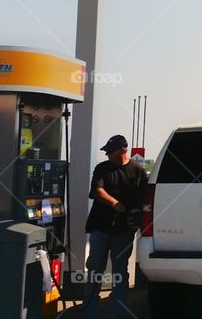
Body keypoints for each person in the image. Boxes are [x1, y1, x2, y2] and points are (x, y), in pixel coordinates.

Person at [84, 134, 147, 318]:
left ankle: (119, 310)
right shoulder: (102, 168)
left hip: (124, 229)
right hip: (100, 227)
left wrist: (140, 222)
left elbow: (144, 200)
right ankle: (90, 310)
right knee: (95, 268)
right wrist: (114, 203)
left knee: (120, 270)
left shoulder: (138, 171)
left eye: (110, 151)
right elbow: (96, 190)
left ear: (122, 150)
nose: (107, 155)